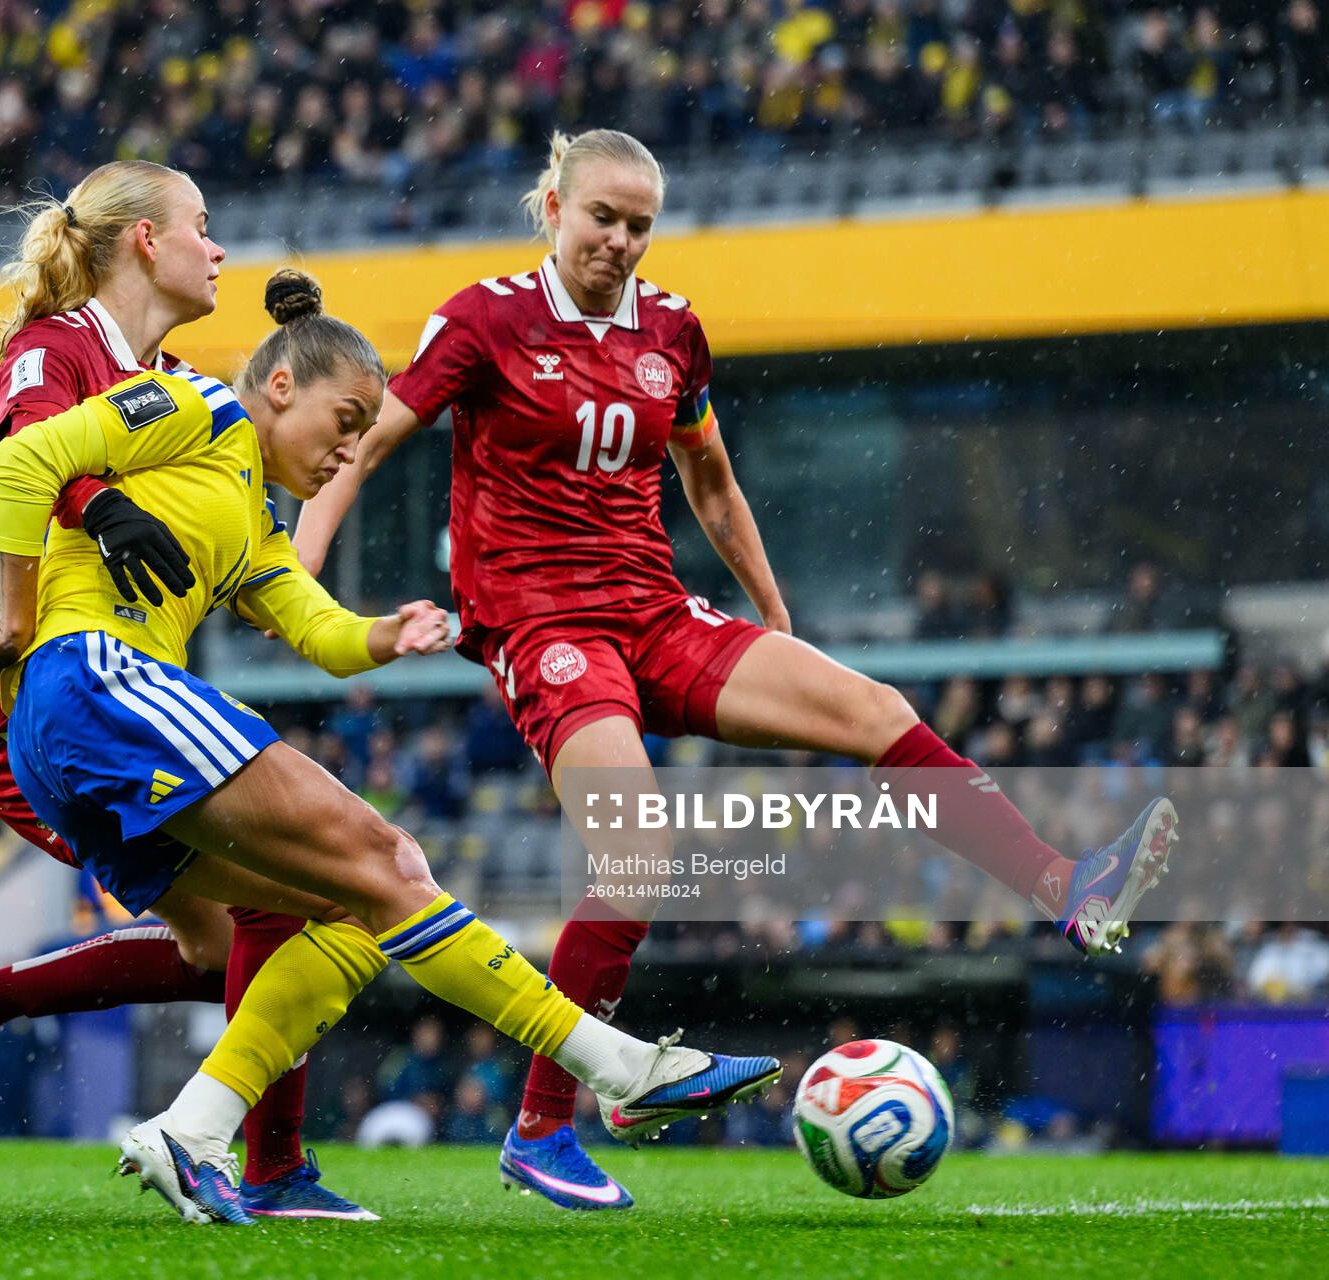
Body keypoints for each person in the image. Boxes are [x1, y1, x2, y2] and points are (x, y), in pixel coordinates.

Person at [291, 128, 1179, 1210]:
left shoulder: (673, 330)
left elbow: (709, 477)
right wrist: (303, 582)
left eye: (640, 225)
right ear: (555, 208)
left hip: (656, 612)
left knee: (875, 709)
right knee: (637, 847)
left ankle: (1064, 887)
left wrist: (772, 609)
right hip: (541, 622)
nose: (620, 241)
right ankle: (542, 1126)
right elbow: (365, 444)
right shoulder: (484, 318)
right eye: (602, 218)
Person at [0, 271, 781, 1226]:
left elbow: (320, 631)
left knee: (342, 914)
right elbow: (25, 460)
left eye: (364, 433)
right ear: (279, 387)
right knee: (390, 860)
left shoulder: (253, 524)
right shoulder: (198, 404)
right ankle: (619, 1066)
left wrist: (385, 634)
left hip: (69, 735)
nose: (350, 450)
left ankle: (193, 1128)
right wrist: (20, 619)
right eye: (344, 422)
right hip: (94, 680)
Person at [0, 159, 360, 1220]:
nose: (220, 247)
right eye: (203, 224)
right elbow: (23, 456)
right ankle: (274, 1169)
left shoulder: (169, 374)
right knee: (280, 907)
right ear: (147, 240)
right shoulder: (56, 347)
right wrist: (99, 506)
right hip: (36, 695)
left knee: (234, 943)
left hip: (112, 690)